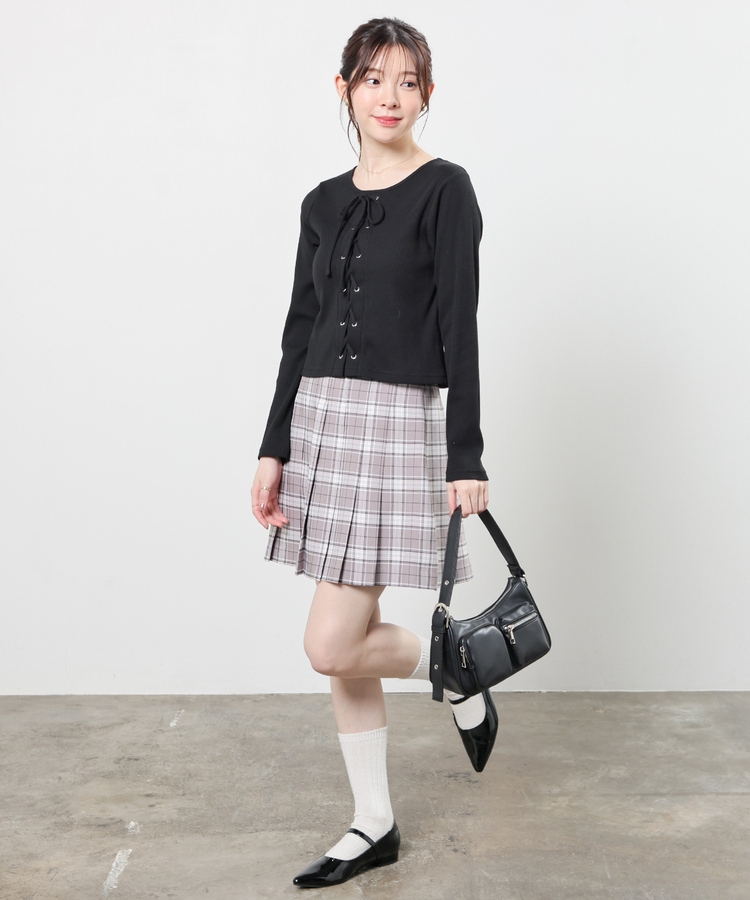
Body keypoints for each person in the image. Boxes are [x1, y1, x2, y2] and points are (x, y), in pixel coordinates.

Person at [251, 17, 496, 889]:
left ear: (426, 92)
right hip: (322, 421)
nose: (390, 97)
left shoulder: (446, 189)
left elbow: (459, 326)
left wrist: (466, 455)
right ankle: (374, 821)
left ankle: (457, 665)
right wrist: (273, 446)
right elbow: (300, 329)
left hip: (398, 424)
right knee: (344, 641)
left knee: (330, 642)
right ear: (344, 89)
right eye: (373, 79)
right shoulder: (322, 202)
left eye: (407, 80)